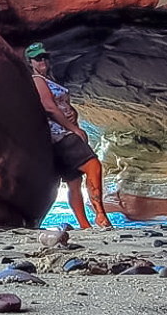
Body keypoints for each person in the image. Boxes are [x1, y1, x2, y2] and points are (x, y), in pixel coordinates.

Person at [26, 42, 112, 229]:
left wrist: (74, 113)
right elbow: (49, 108)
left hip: (61, 134)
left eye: (45, 57)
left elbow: (61, 106)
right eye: (37, 58)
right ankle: (100, 215)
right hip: (60, 135)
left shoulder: (47, 79)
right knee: (93, 166)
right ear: (30, 62)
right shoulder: (37, 80)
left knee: (74, 181)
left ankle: (84, 225)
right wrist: (74, 129)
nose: (42, 61)